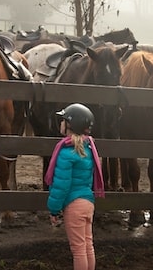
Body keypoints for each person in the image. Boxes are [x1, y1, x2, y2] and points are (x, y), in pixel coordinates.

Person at [45, 103, 105, 270]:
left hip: (74, 205)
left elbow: (61, 186)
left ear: (70, 125)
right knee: (87, 245)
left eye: (63, 120)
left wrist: (54, 209)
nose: (61, 123)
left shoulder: (66, 152)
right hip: (88, 203)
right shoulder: (88, 149)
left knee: (78, 250)